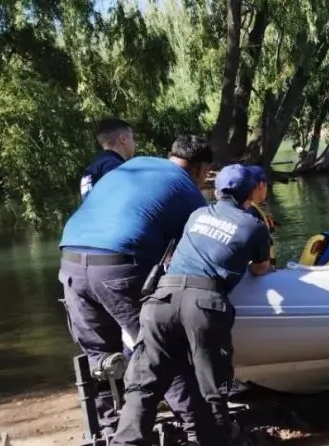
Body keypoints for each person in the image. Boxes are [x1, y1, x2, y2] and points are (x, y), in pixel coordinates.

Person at [58, 135, 213, 436]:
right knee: (160, 349)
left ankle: (107, 430)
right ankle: (203, 433)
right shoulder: (188, 190)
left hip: (71, 260)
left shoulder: (136, 165)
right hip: (117, 264)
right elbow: (197, 252)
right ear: (201, 169)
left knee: (101, 357)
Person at [112, 164, 274, 445]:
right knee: (214, 386)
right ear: (251, 191)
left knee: (144, 383)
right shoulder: (254, 226)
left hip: (161, 300)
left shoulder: (197, 215)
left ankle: (125, 442)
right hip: (204, 305)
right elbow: (260, 268)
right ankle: (221, 440)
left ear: (218, 191)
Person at [80, 118, 136, 200]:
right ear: (123, 139)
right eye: (132, 138)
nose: (134, 143)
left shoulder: (91, 169)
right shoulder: (112, 165)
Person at [244, 165, 277, 265]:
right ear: (261, 185)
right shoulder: (253, 214)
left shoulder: (242, 206)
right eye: (267, 185)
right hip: (259, 270)